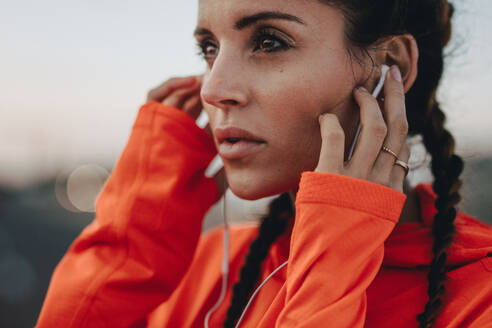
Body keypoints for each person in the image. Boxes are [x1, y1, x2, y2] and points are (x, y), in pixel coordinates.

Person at [36, 0, 492, 327]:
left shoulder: (479, 296)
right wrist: (132, 242)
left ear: (388, 66)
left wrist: (333, 271)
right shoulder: (203, 269)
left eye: (269, 41)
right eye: (210, 48)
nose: (214, 89)